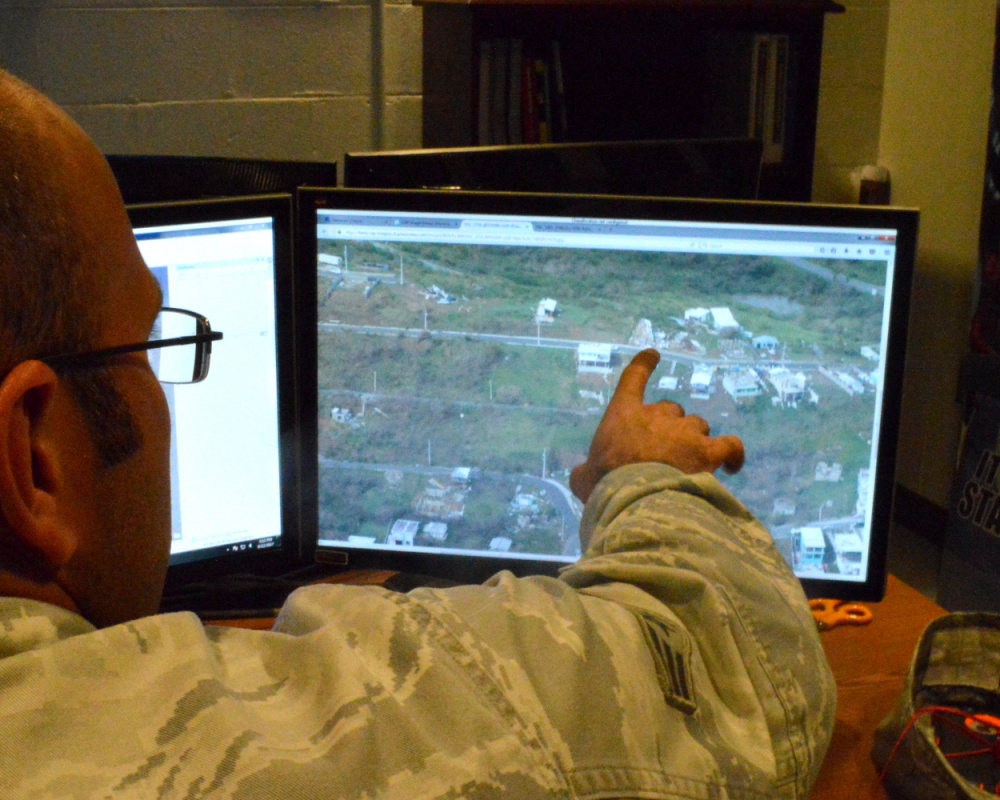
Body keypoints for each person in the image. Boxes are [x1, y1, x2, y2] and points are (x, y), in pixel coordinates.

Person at [0, 69, 835, 798]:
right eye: (149, 346)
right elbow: (742, 684)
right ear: (35, 457)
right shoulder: (227, 746)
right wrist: (644, 473)